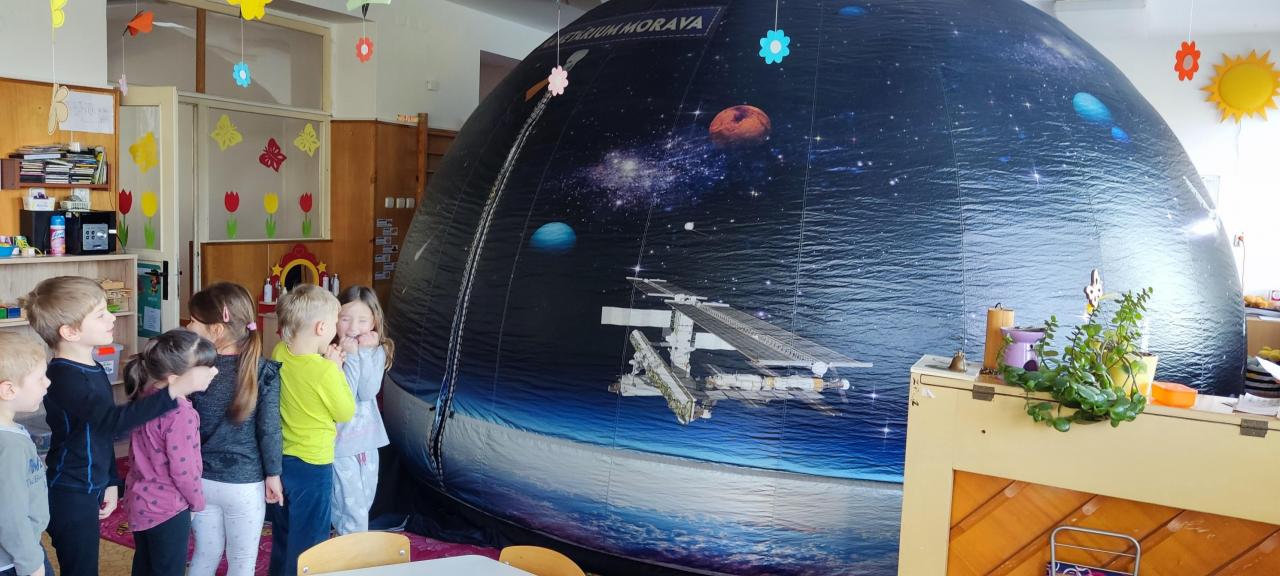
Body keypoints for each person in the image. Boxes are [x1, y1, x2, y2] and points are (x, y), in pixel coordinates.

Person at [24, 277, 184, 576]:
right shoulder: (63, 376)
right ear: (70, 332)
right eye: (100, 314)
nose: (112, 318)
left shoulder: (93, 367)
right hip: (70, 491)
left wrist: (110, 480)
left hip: (89, 484)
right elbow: (113, 423)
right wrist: (173, 392)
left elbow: (101, 432)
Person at [186, 283, 282, 576]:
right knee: (242, 562)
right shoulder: (263, 370)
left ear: (216, 330)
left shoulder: (193, 372)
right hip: (244, 484)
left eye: (193, 321)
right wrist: (273, 474)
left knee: (205, 555)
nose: (188, 326)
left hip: (200, 479)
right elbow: (269, 430)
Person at [268, 284, 354, 576]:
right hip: (313, 464)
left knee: (283, 532)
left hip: (280, 461)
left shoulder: (279, 351)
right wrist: (336, 368)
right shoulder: (325, 370)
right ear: (321, 328)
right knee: (310, 539)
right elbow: (345, 411)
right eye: (334, 324)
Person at [124, 330, 218, 576]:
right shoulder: (181, 414)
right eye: (205, 369)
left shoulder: (147, 396)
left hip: (140, 501)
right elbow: (183, 470)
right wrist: (197, 502)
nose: (214, 372)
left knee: (145, 565)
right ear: (176, 378)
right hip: (167, 509)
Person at [331, 286, 394, 534]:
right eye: (345, 319)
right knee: (351, 511)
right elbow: (346, 394)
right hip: (341, 444)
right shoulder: (331, 353)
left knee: (363, 504)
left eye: (362, 320)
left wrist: (365, 353)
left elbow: (368, 391)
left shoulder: (377, 350)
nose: (353, 327)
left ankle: (346, 547)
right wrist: (352, 357)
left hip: (368, 441)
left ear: (374, 321)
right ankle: (351, 552)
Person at [0, 333, 54, 576]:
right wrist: (31, 563)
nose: (48, 383)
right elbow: (10, 515)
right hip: (15, 561)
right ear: (9, 390)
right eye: (40, 377)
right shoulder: (9, 447)